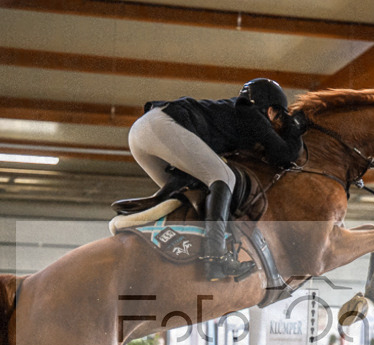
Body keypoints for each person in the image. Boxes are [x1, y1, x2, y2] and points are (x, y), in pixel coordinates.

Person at [127, 78, 305, 281]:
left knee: (189, 192)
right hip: (161, 126)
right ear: (270, 110)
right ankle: (216, 257)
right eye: (278, 116)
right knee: (224, 176)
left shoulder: (238, 112)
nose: (276, 122)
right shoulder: (252, 114)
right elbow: (284, 155)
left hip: (141, 134)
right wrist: (294, 128)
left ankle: (177, 245)